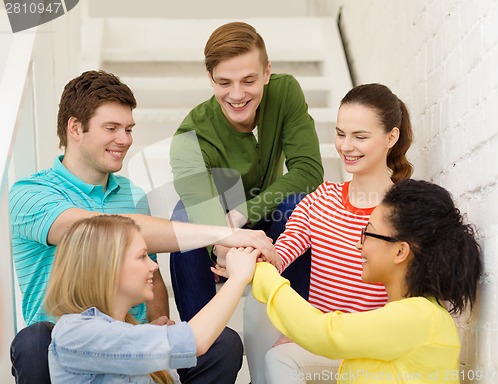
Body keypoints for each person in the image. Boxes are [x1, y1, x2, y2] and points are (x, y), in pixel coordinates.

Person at [9, 70, 275, 384]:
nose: (124, 140)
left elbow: (150, 270)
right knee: (33, 340)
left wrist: (157, 318)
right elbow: (105, 230)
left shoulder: (132, 194)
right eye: (111, 128)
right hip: (66, 348)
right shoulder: (30, 194)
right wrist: (224, 231)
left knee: (224, 344)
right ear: (75, 127)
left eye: (128, 129)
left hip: (132, 340)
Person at [241, 83, 415, 383]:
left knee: (281, 358)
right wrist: (254, 253)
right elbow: (281, 254)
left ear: (391, 137)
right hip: (321, 341)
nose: (346, 146)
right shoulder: (322, 198)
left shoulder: (408, 210)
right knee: (257, 303)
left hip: (372, 346)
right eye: (340, 134)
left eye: (360, 136)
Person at [234, 179, 482, 383]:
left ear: (400, 252)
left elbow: (324, 332)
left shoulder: (421, 317)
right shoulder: (413, 315)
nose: (358, 243)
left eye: (368, 233)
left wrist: (261, 271)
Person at [169, 21, 324, 321]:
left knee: (299, 205)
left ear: (267, 72)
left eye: (248, 80)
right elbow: (203, 216)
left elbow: (308, 171)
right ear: (210, 79)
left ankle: (302, 326)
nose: (237, 95)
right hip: (217, 231)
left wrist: (243, 213)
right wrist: (223, 247)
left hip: (269, 221)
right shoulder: (189, 137)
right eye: (225, 82)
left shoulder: (285, 91)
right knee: (183, 216)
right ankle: (202, 344)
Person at [45, 215, 260, 383]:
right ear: (106, 267)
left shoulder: (129, 333)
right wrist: (239, 276)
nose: (154, 266)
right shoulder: (76, 333)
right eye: (142, 256)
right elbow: (196, 341)